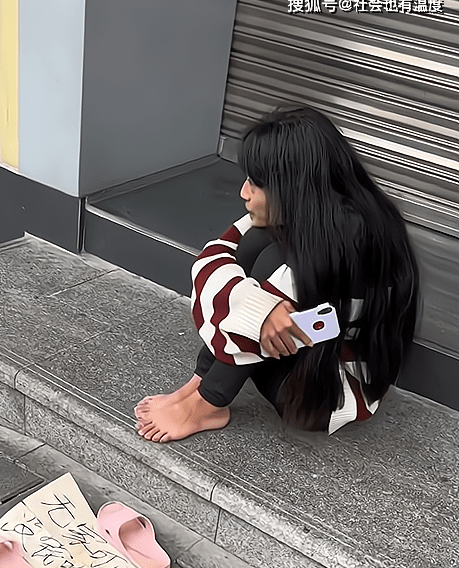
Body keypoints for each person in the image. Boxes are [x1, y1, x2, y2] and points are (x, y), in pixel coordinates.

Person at [135, 105, 420, 442]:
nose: (243, 192)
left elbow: (225, 294)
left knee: (264, 273)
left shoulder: (352, 240)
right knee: (256, 245)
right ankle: (199, 385)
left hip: (331, 394)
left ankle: (209, 403)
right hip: (310, 353)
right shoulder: (318, 211)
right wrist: (259, 309)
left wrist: (255, 312)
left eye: (255, 183)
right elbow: (211, 258)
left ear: (291, 186)